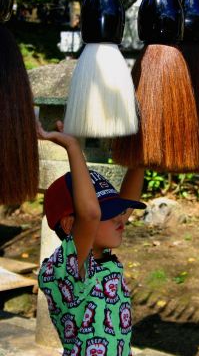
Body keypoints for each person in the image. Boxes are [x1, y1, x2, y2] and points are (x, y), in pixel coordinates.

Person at [37, 120, 146, 356]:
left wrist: (142, 153)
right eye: (108, 214)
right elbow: (91, 214)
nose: (120, 219)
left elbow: (107, 214)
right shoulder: (70, 268)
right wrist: (72, 147)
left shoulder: (98, 260)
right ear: (69, 224)